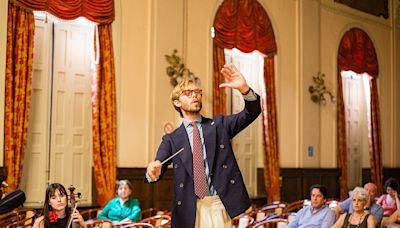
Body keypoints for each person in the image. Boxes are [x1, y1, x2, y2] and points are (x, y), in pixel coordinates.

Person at [145, 64, 261, 228]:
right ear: (177, 102)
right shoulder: (171, 139)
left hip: (217, 205)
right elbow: (157, 166)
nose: (195, 96)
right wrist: (152, 171)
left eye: (198, 92)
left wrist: (244, 89)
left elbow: (251, 112)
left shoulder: (219, 125)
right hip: (188, 210)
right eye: (188, 93)